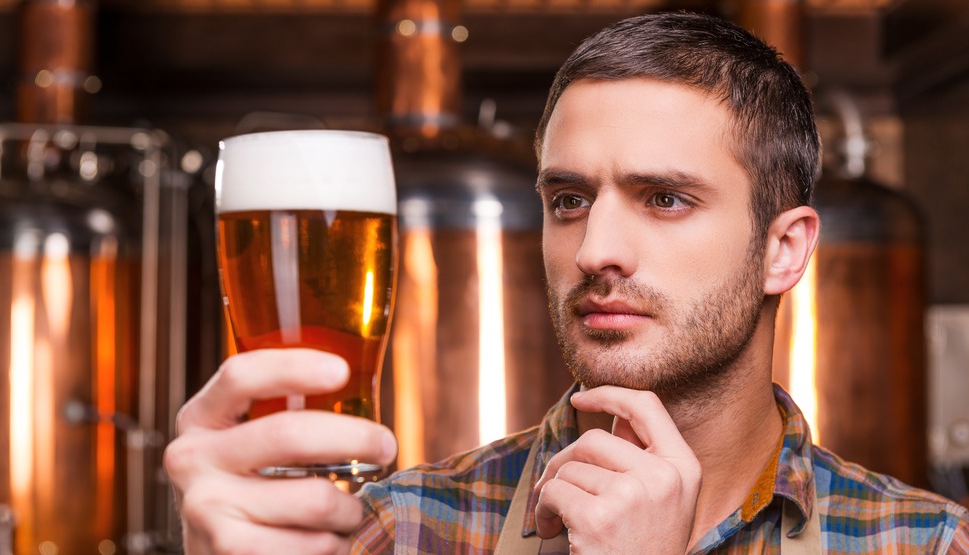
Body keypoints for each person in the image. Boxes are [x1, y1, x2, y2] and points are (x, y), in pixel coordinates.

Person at [164, 11, 969, 554]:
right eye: (569, 200)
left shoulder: (925, 541)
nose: (595, 249)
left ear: (783, 250)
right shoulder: (392, 532)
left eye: (664, 198)